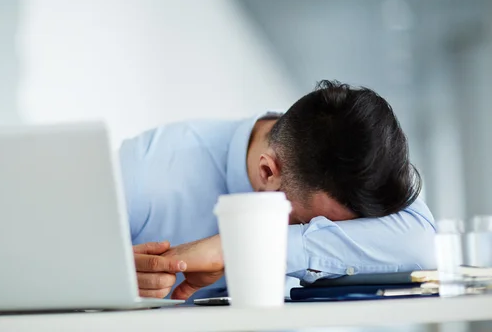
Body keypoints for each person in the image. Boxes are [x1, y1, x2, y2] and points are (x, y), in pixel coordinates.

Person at [120, 80, 436, 301]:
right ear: (267, 171)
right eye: (309, 223)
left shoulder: (361, 172)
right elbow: (77, 277)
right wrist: (121, 283)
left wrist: (235, 246)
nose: (341, 236)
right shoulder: (144, 174)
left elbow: (422, 245)